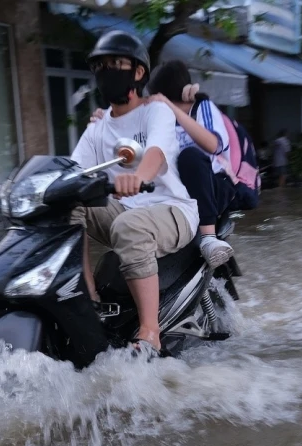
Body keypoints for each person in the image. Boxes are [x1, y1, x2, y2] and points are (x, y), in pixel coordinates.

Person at [70, 31, 200, 354]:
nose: (106, 71)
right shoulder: (96, 127)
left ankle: (149, 332)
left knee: (128, 227)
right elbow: (72, 171)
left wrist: (138, 176)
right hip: (125, 210)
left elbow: (155, 153)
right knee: (69, 203)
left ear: (138, 73)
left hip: (172, 209)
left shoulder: (156, 111)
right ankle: (89, 296)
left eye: (115, 63)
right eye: (100, 66)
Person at [144, 60, 236, 269]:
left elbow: (214, 145)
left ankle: (208, 238)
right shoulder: (161, 120)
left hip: (214, 187)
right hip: (181, 192)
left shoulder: (202, 108)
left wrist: (171, 109)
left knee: (189, 157)